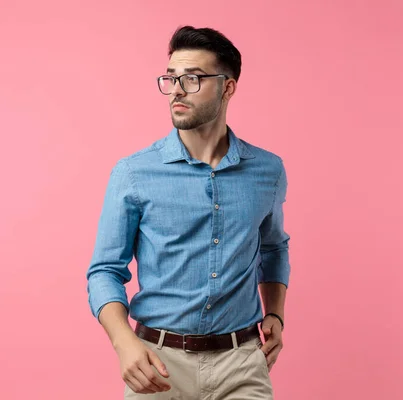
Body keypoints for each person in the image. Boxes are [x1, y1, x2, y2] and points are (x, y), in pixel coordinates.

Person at [86, 25, 291, 399]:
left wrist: (274, 313)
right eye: (170, 78)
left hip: (242, 361)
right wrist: (124, 343)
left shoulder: (268, 171)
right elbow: (104, 271)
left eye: (193, 79)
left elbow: (274, 248)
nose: (176, 90)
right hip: (158, 363)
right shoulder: (133, 173)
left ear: (227, 87)